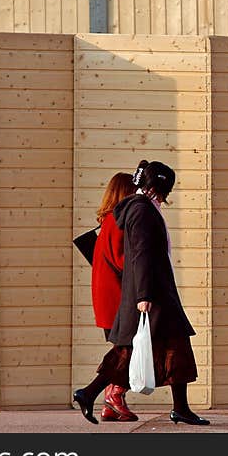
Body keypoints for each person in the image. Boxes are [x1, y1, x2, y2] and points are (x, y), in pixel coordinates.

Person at [73, 160, 210, 426]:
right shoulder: (141, 211)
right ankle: (91, 392)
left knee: (164, 348)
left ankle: (91, 393)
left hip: (151, 293)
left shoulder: (134, 209)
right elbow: (142, 255)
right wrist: (144, 296)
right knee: (151, 349)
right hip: (153, 295)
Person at [89, 171, 138, 422]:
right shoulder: (118, 223)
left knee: (125, 349)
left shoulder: (106, 221)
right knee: (130, 350)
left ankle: (110, 402)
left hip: (107, 299)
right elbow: (123, 261)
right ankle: (114, 394)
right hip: (119, 300)